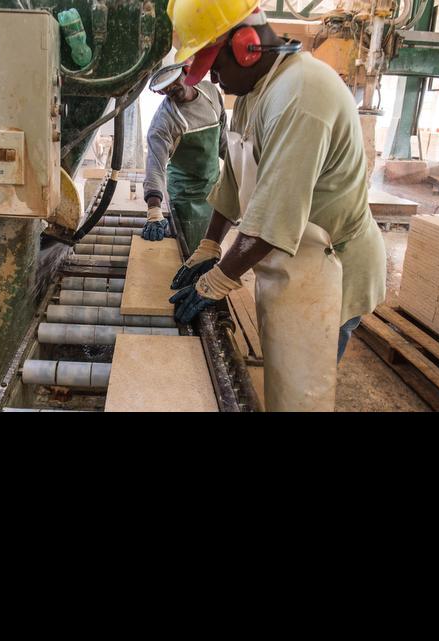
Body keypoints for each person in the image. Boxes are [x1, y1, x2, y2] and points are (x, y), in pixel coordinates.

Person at [165, 1, 386, 411]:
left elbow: (275, 215)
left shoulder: (301, 96)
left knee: (302, 394)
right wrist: (210, 247)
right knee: (280, 377)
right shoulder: (253, 90)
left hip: (328, 270)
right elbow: (234, 180)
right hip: (289, 257)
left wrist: (216, 281)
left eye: (214, 65)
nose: (213, 78)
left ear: (247, 46)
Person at [140, 62, 226, 246]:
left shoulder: (211, 92)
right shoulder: (163, 122)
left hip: (214, 191)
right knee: (189, 252)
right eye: (164, 88)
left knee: (212, 249)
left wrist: (247, 170)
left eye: (172, 81)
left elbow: (223, 142)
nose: (170, 89)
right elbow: (155, 166)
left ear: (186, 72)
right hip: (185, 199)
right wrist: (154, 210)